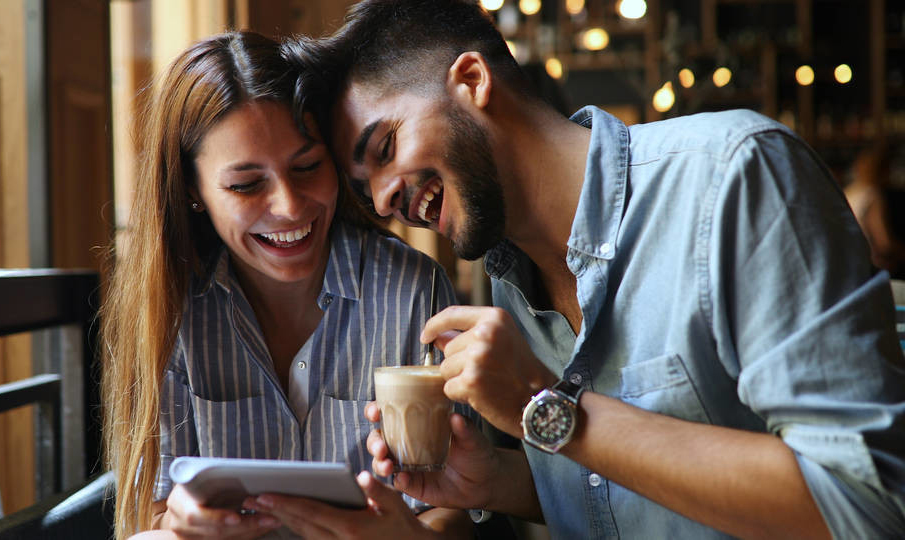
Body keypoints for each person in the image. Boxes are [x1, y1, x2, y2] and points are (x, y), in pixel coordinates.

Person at [285, 1, 905, 538]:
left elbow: (865, 506)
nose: (389, 200)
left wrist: (545, 408)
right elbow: (641, 491)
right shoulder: (508, 287)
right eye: (369, 194)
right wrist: (496, 481)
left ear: (472, 79)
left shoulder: (733, 176)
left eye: (385, 148)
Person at [100, 31, 476, 539]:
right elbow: (150, 515)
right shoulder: (171, 310)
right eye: (246, 184)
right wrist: (180, 526)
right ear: (193, 189)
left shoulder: (412, 291)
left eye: (306, 167)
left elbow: (460, 509)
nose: (291, 207)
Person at [844, 144, 905, 279]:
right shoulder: (872, 195)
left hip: (852, 266)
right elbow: (884, 243)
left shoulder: (849, 191)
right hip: (874, 269)